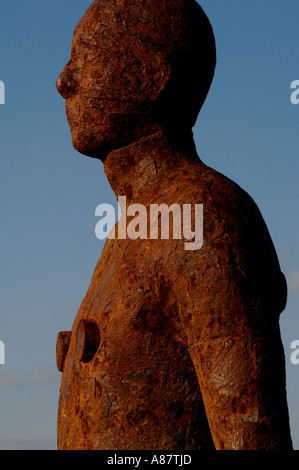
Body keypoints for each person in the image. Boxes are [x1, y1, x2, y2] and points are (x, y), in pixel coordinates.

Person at [55, 0, 293, 450]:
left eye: (86, 56)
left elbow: (250, 435)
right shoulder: (136, 224)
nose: (64, 81)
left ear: (150, 77)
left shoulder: (204, 217)